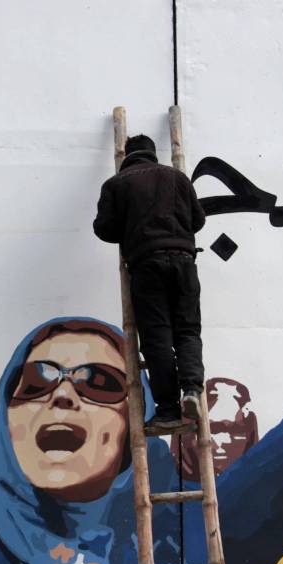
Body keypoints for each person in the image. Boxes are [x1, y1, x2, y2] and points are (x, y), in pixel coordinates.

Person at [92, 133, 207, 432]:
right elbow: (198, 221)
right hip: (184, 262)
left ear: (127, 156)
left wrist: (132, 224)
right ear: (153, 154)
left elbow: (104, 229)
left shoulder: (116, 184)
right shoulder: (178, 178)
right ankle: (192, 390)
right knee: (187, 330)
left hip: (147, 264)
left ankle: (168, 411)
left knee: (157, 338)